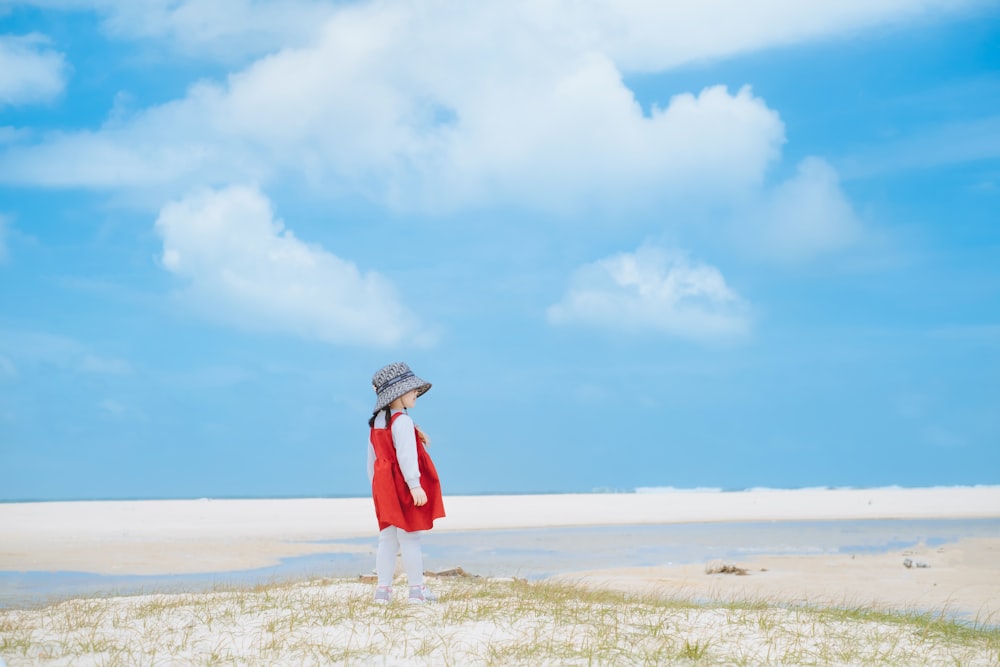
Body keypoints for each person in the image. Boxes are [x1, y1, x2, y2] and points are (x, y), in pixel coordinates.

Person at [367, 362, 445, 604]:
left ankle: (383, 590)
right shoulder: (401, 422)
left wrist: (375, 487)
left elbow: (372, 460)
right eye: (411, 390)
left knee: (387, 538)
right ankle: (416, 590)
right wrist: (415, 484)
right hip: (402, 484)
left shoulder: (377, 423)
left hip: (383, 486)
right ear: (397, 394)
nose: (416, 394)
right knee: (410, 537)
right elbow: (406, 456)